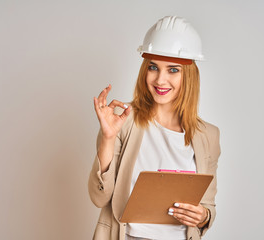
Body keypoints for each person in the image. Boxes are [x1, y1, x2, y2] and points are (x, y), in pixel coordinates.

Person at [88, 16, 221, 240]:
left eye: (173, 70)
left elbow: (207, 207)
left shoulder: (208, 135)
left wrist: (203, 216)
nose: (160, 80)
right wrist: (108, 138)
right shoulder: (123, 121)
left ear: (189, 75)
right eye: (153, 67)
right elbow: (99, 198)